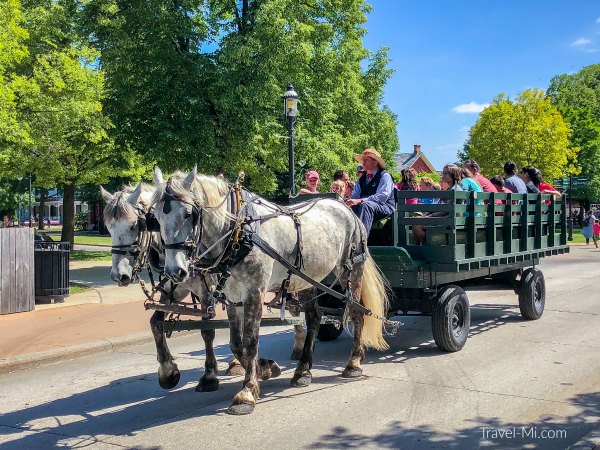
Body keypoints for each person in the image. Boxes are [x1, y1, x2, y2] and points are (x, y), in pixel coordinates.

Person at [346, 147, 395, 235]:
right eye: (362, 160)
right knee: (348, 207)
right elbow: (355, 196)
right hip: (367, 207)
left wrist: (361, 200)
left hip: (385, 208)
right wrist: (350, 202)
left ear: (375, 162)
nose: (363, 163)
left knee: (366, 205)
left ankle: (361, 240)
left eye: (366, 160)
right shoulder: (362, 178)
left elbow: (382, 197)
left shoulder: (385, 176)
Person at [412, 165, 464, 245]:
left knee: (417, 223)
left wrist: (429, 217)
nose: (443, 175)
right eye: (443, 172)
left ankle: (427, 247)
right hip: (448, 218)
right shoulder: (452, 188)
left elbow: (445, 210)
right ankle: (418, 248)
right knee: (416, 219)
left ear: (453, 175)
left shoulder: (454, 190)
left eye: (446, 173)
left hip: (449, 219)